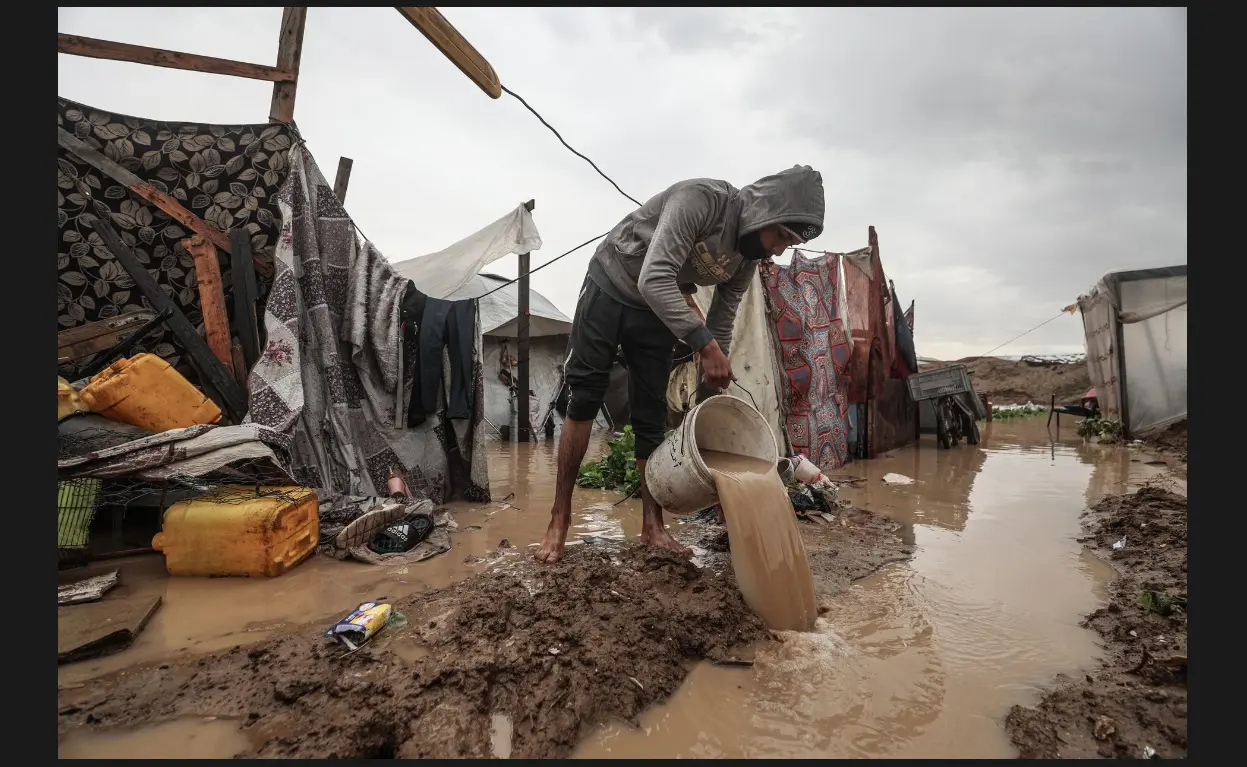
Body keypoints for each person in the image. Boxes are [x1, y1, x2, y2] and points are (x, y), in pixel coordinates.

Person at [534, 165, 826, 564]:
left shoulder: (744, 259)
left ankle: (652, 525)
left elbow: (723, 319)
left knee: (651, 413)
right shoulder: (702, 201)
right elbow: (654, 277)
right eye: (781, 236)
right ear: (765, 213)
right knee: (585, 396)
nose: (778, 249)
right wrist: (704, 345)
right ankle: (559, 517)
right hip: (613, 280)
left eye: (788, 244)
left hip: (656, 308)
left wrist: (711, 393)